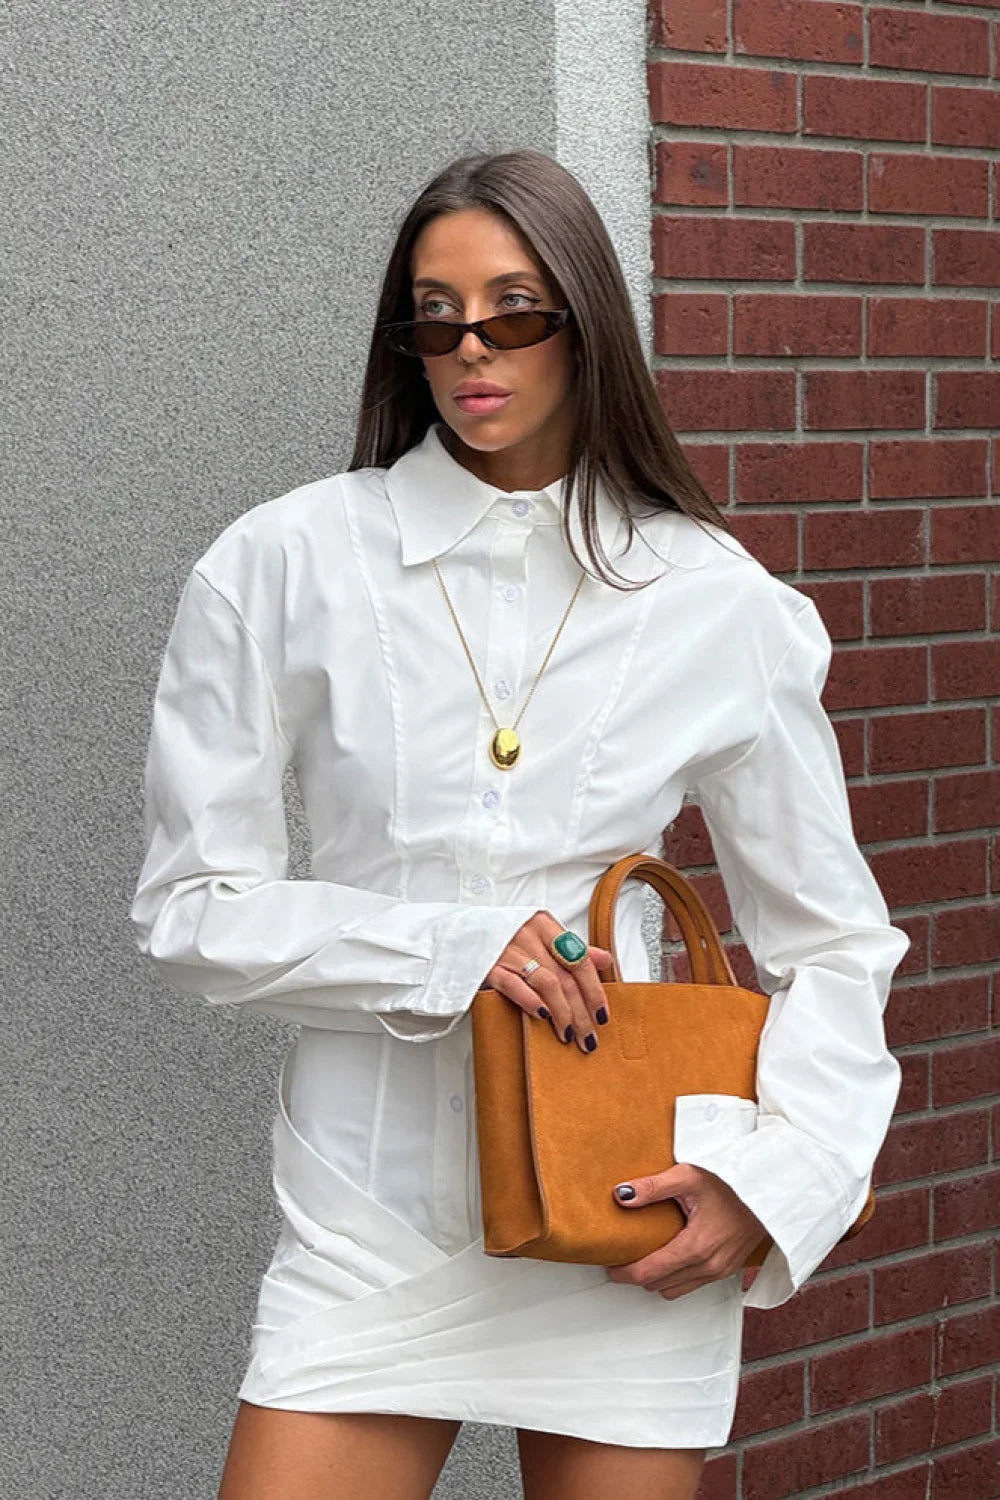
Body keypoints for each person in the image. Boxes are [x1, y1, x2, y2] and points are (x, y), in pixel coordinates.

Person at [128, 148, 910, 1500]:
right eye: (436, 317)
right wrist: (453, 948)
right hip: (368, 1212)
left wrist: (777, 1177)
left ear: (587, 322)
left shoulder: (716, 600)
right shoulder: (281, 563)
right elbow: (191, 910)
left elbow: (835, 942)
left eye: (514, 310)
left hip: (624, 1189)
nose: (471, 347)